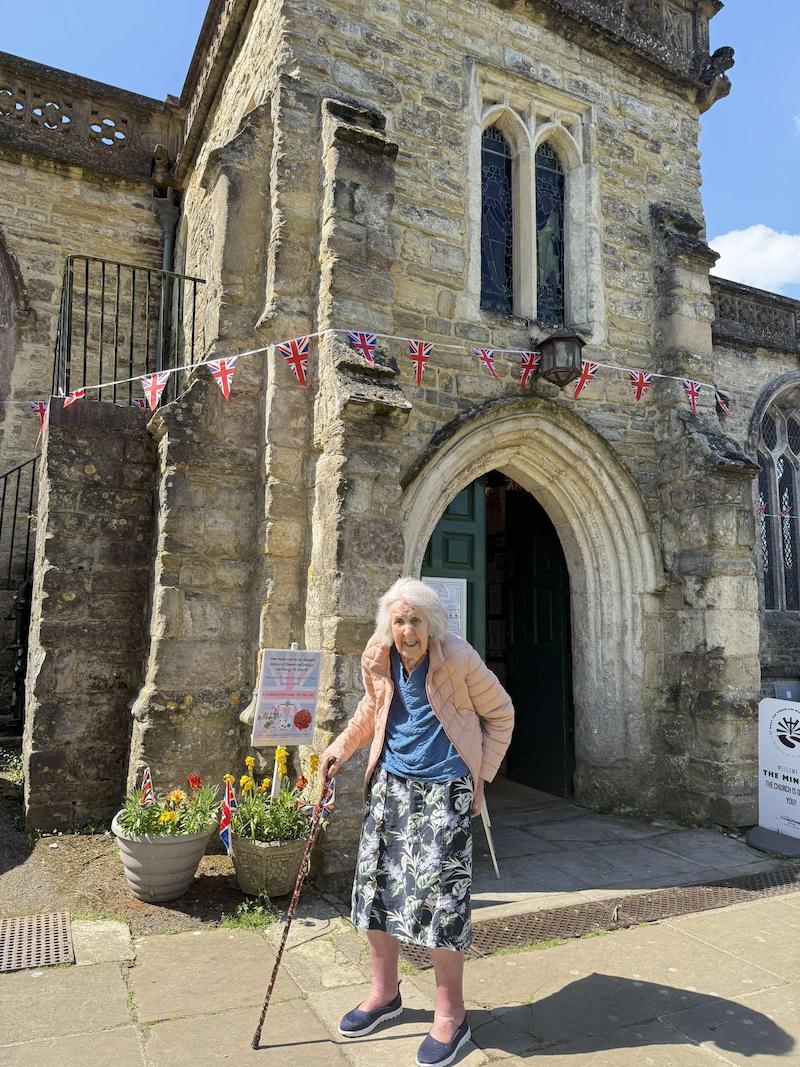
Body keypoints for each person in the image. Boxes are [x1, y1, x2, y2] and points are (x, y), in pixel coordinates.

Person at [320, 576, 514, 1067]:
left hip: (445, 792)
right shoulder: (378, 655)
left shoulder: (459, 659)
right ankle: (385, 995)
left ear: (433, 625)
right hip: (390, 786)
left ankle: (452, 1015)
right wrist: (341, 748)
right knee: (373, 891)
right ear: (390, 623)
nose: (407, 630)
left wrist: (480, 778)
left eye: (416, 621)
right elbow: (372, 708)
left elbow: (502, 714)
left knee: (443, 904)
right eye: (400, 620)